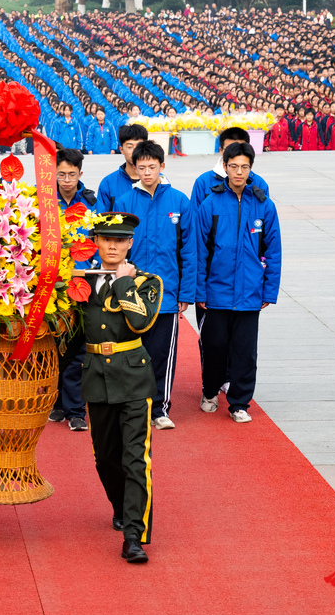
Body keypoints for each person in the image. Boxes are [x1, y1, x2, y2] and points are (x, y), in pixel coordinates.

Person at [81, 211, 163, 563]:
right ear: (96, 242)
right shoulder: (82, 282)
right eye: (106, 239)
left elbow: (141, 320)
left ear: (130, 243)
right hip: (96, 377)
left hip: (132, 379)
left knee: (135, 459)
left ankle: (134, 533)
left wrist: (123, 283)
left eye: (120, 240)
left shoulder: (146, 281)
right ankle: (120, 507)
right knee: (105, 459)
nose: (112, 245)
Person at [103, 141, 195, 430]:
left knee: (161, 354)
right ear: (134, 167)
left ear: (162, 167)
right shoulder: (124, 203)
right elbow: (114, 249)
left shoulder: (179, 201)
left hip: (166, 295)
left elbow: (189, 251)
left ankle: (159, 409)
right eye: (141, 167)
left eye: (152, 167)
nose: (146, 172)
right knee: (129, 351)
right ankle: (130, 406)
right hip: (132, 292)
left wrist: (186, 292)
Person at [195, 142, 281, 424]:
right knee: (215, 346)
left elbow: (274, 250)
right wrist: (199, 290)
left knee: (245, 352)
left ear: (251, 168)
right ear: (225, 167)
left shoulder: (264, 204)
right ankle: (210, 392)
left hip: (250, 293)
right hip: (216, 291)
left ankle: (239, 403)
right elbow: (199, 250)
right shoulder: (211, 203)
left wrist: (269, 290)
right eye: (233, 166)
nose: (239, 172)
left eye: (244, 167)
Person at [50, 148, 97, 431]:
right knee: (55, 344)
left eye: (72, 174)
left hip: (84, 282)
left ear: (80, 174)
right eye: (61, 174)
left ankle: (76, 409)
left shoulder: (91, 201)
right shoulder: (42, 201)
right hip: (52, 284)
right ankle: (56, 403)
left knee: (80, 347)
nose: (66, 180)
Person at [94, 123, 148, 213]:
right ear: (121, 149)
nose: (135, 151)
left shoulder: (159, 181)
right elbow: (101, 218)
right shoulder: (108, 183)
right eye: (130, 147)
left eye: (139, 146)